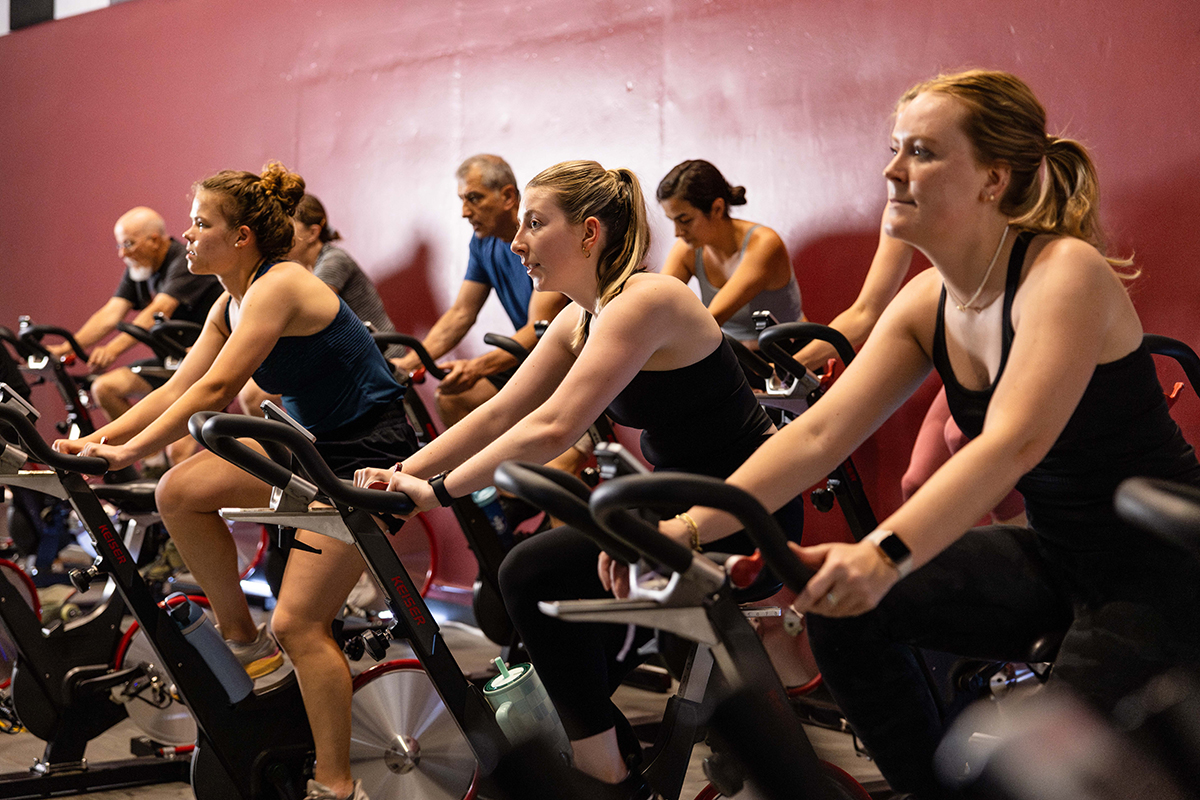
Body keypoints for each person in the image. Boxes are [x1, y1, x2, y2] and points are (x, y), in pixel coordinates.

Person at [658, 70, 1200, 798]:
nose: (891, 169)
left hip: (1161, 572)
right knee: (842, 609)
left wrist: (884, 556)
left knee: (1043, 770)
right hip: (1061, 557)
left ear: (992, 178)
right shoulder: (928, 301)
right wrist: (688, 527)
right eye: (893, 148)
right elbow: (819, 435)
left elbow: (1012, 444)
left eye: (921, 152)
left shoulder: (1063, 273)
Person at [356, 160, 803, 798]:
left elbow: (555, 425)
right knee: (533, 579)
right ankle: (605, 754)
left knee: (530, 572)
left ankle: (605, 769)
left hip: (739, 512)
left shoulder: (647, 299)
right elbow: (504, 408)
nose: (516, 243)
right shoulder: (580, 315)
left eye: (535, 224)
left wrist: (442, 491)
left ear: (589, 232)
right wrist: (404, 473)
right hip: (671, 501)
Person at [54, 162, 415, 800]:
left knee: (303, 624)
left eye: (200, 224)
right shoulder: (232, 299)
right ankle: (247, 644)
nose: (186, 236)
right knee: (180, 492)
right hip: (310, 448)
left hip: (368, 454)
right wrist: (96, 441)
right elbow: (176, 385)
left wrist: (128, 449)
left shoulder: (280, 285)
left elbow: (216, 391)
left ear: (243, 235)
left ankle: (336, 786)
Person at [392, 154, 569, 426]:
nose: (465, 212)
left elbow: (539, 329)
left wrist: (476, 367)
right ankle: (482, 470)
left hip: (565, 357)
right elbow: (461, 313)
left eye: (474, 198)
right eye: (462, 200)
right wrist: (409, 363)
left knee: (556, 453)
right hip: (528, 357)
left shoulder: (543, 239)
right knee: (453, 397)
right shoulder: (482, 244)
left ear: (508, 196)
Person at [238, 193, 406, 417]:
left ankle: (295, 450)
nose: (280, 234)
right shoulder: (305, 268)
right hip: (343, 354)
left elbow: (303, 314)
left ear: (313, 232)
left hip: (380, 353)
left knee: (253, 396)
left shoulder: (334, 260)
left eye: (288, 227)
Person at [48, 206, 223, 423]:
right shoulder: (140, 268)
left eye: (128, 244)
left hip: (204, 360)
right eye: (119, 245)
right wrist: (66, 348)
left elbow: (158, 310)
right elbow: (111, 314)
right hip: (170, 361)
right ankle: (150, 458)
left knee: (178, 448)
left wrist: (112, 350)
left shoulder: (185, 262)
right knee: (104, 388)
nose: (122, 253)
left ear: (154, 240)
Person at [656, 159, 802, 348]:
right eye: (672, 221)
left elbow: (712, 319)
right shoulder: (688, 249)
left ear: (717, 208)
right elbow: (656, 306)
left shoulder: (764, 243)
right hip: (738, 359)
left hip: (790, 355)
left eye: (685, 220)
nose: (677, 232)